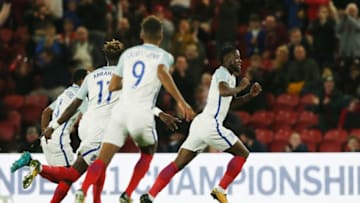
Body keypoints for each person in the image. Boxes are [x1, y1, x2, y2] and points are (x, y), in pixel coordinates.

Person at [10, 39, 180, 203]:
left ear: (106, 58)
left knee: (100, 164)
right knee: (74, 174)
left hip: (88, 125)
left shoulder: (92, 76)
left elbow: (74, 104)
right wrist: (161, 114)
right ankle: (37, 166)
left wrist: (53, 126)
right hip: (103, 129)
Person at [74, 16, 195, 203]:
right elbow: (162, 72)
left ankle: (82, 189)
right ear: (161, 36)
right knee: (148, 151)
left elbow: (113, 86)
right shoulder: (165, 56)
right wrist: (181, 102)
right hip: (141, 113)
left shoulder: (127, 55)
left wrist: (129, 82)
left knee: (102, 158)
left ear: (141, 34)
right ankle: (128, 193)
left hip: (120, 113)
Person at [140, 44, 262, 203]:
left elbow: (229, 104)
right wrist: (242, 87)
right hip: (211, 124)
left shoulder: (230, 76)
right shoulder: (221, 72)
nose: (240, 61)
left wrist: (249, 96)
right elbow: (223, 91)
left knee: (178, 163)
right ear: (226, 59)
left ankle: (150, 195)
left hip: (200, 124)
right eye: (236, 58)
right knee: (243, 153)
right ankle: (221, 189)